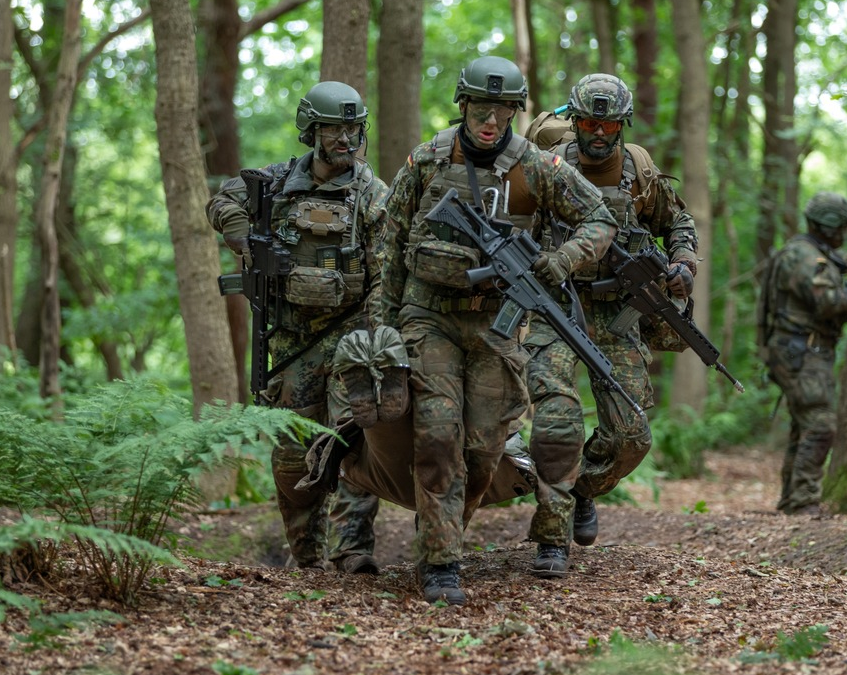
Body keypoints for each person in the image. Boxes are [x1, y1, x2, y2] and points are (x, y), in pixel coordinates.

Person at [367, 56, 617, 605]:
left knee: (483, 450)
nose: (491, 120)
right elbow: (390, 246)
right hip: (427, 315)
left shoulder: (537, 166)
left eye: (504, 110)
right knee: (436, 434)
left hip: (495, 327)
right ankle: (440, 562)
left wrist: (564, 259)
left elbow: (600, 217)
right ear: (463, 104)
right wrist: (382, 331)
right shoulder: (427, 160)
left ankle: (442, 530)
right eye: (482, 107)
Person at [206, 81, 387, 573]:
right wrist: (247, 242)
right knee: (292, 455)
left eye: (353, 128)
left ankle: (354, 551)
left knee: (351, 440)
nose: (345, 139)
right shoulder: (274, 183)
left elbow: (386, 273)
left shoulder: (372, 194)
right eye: (333, 129)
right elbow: (221, 202)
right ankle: (306, 556)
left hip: (352, 336)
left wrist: (372, 335)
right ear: (312, 131)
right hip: (291, 344)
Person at [523, 73, 699, 578]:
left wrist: (683, 262)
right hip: (555, 304)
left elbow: (677, 223)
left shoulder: (638, 170)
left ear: (622, 125)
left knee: (632, 435)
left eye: (608, 123)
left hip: (617, 312)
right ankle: (551, 540)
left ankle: (581, 488)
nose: (598, 132)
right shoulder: (549, 166)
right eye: (588, 122)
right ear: (574, 121)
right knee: (557, 422)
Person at [757, 192, 847, 515]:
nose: (845, 233)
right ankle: (802, 501)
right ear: (830, 226)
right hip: (802, 353)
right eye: (843, 226)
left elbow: (839, 261)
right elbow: (824, 300)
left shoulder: (808, 250)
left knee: (805, 426)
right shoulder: (804, 257)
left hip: (800, 351)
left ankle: (792, 497)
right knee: (821, 425)